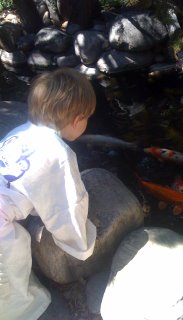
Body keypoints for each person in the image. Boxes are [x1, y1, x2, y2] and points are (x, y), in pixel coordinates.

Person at [0, 68, 97, 320]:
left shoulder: (19, 134)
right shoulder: (58, 154)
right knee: (8, 278)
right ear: (77, 119)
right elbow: (66, 206)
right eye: (87, 118)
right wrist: (80, 244)